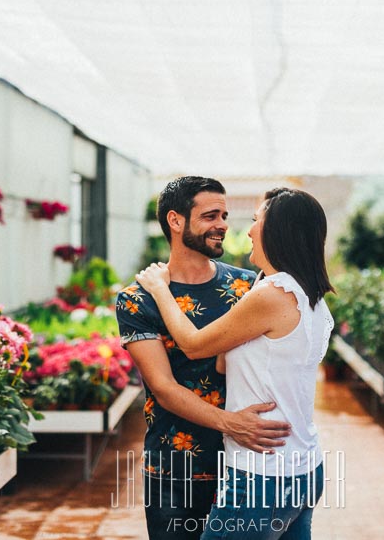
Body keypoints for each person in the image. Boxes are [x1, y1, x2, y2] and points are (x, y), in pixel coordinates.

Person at [135, 187, 335, 540]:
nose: (247, 230)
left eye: (257, 220)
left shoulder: (272, 295)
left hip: (263, 475)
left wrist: (160, 289)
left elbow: (195, 347)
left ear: (278, 232)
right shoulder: (307, 293)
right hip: (303, 468)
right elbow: (226, 366)